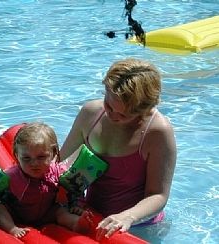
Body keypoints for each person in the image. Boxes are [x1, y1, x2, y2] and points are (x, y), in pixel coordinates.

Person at [60, 58, 177, 241]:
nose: (112, 115)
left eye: (123, 114)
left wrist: (127, 216)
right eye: (108, 104)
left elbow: (158, 195)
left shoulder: (157, 133)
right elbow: (59, 161)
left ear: (144, 110)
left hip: (137, 226)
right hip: (90, 214)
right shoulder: (91, 114)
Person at [0, 122, 91, 238]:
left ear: (53, 153)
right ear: (17, 155)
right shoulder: (10, 176)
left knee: (60, 210)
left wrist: (76, 205)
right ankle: (12, 228)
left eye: (41, 157)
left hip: (47, 213)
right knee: (0, 206)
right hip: (16, 214)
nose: (34, 164)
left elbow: (75, 188)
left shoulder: (59, 172)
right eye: (26, 158)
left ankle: (75, 222)